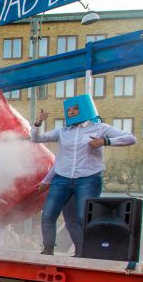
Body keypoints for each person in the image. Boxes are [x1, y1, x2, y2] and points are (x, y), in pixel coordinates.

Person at [31, 94, 136, 255]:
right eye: (69, 109)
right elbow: (37, 139)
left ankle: (84, 252)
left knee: (82, 218)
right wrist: (38, 123)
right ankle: (48, 249)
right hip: (62, 179)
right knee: (49, 214)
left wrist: (105, 141)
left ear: (86, 109)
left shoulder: (100, 128)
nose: (71, 112)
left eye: (75, 109)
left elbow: (131, 138)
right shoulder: (63, 131)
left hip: (87, 180)